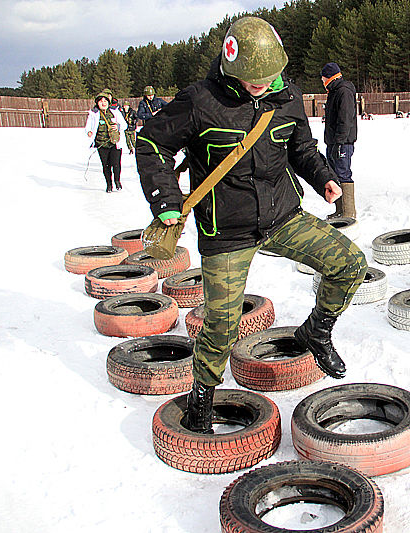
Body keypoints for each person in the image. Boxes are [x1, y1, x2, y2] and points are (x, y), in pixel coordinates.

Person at [135, 16, 367, 434]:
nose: (261, 84)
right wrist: (166, 201)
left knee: (350, 263)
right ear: (231, 66)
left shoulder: (289, 96)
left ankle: (317, 331)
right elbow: (151, 143)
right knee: (221, 328)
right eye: (252, 78)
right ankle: (201, 398)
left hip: (282, 216)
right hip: (226, 231)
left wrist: (323, 177)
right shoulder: (200, 100)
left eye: (269, 76)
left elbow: (302, 148)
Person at [320, 62, 358, 219]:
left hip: (342, 143)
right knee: (334, 175)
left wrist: (340, 143)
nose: (322, 83)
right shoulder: (334, 92)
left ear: (329, 78)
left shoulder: (343, 91)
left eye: (323, 79)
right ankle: (339, 211)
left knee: (343, 174)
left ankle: (348, 213)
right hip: (333, 142)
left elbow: (345, 119)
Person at [85, 91, 128, 192]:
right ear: (97, 103)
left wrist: (117, 126)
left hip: (114, 143)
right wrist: (89, 132)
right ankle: (109, 184)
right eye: (101, 101)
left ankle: (117, 181)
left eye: (105, 101)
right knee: (106, 165)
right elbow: (88, 127)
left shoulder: (115, 112)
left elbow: (125, 125)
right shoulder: (93, 114)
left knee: (116, 164)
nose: (103, 103)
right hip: (101, 144)